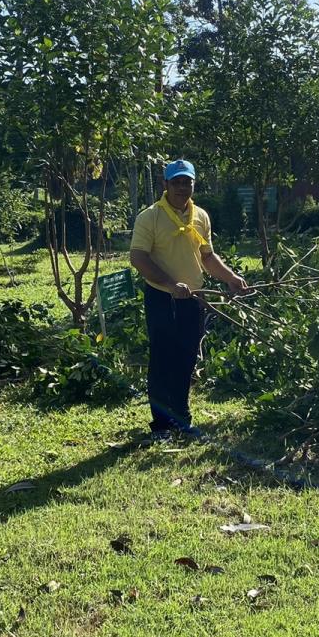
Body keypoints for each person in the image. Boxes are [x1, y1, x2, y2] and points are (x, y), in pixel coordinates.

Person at [129, 159, 248, 439]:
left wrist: (230, 278)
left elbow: (207, 257)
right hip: (161, 298)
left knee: (185, 358)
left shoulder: (200, 216)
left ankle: (181, 417)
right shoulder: (150, 217)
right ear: (165, 184)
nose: (183, 187)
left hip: (193, 298)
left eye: (187, 182)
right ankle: (161, 425)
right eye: (177, 182)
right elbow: (138, 258)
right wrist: (170, 285)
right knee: (162, 360)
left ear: (194, 183)